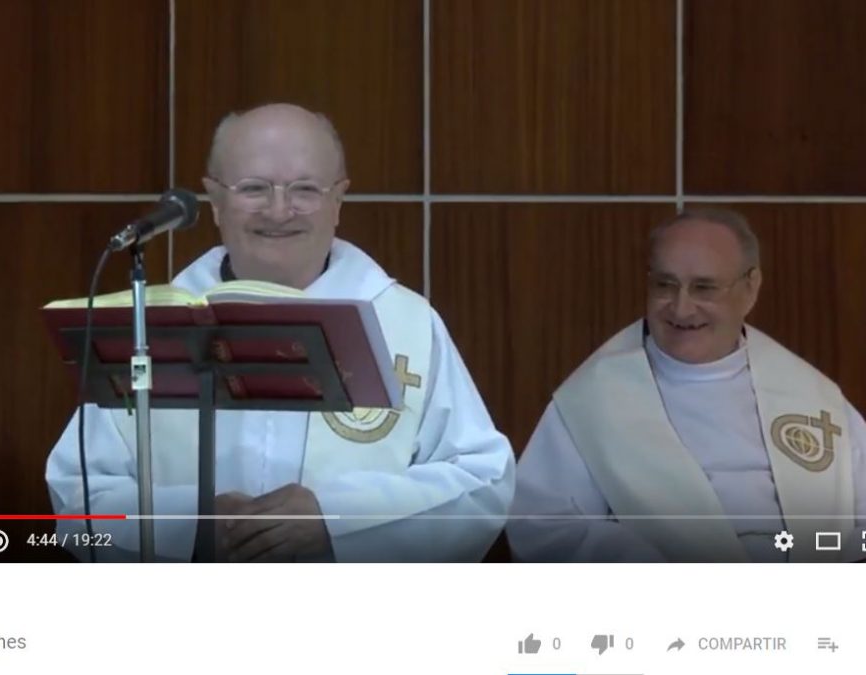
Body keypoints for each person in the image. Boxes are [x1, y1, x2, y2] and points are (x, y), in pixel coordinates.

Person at [46, 103, 515, 562]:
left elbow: (482, 483)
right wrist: (190, 525)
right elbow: (79, 491)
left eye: (305, 189)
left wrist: (334, 520)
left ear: (338, 200)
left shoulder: (405, 323)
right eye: (253, 188)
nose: (278, 211)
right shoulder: (148, 326)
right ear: (214, 200)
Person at [508, 208, 866, 562]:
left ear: (750, 288)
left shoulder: (810, 396)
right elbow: (541, 524)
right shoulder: (593, 401)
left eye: (704, 288)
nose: (681, 309)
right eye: (665, 285)